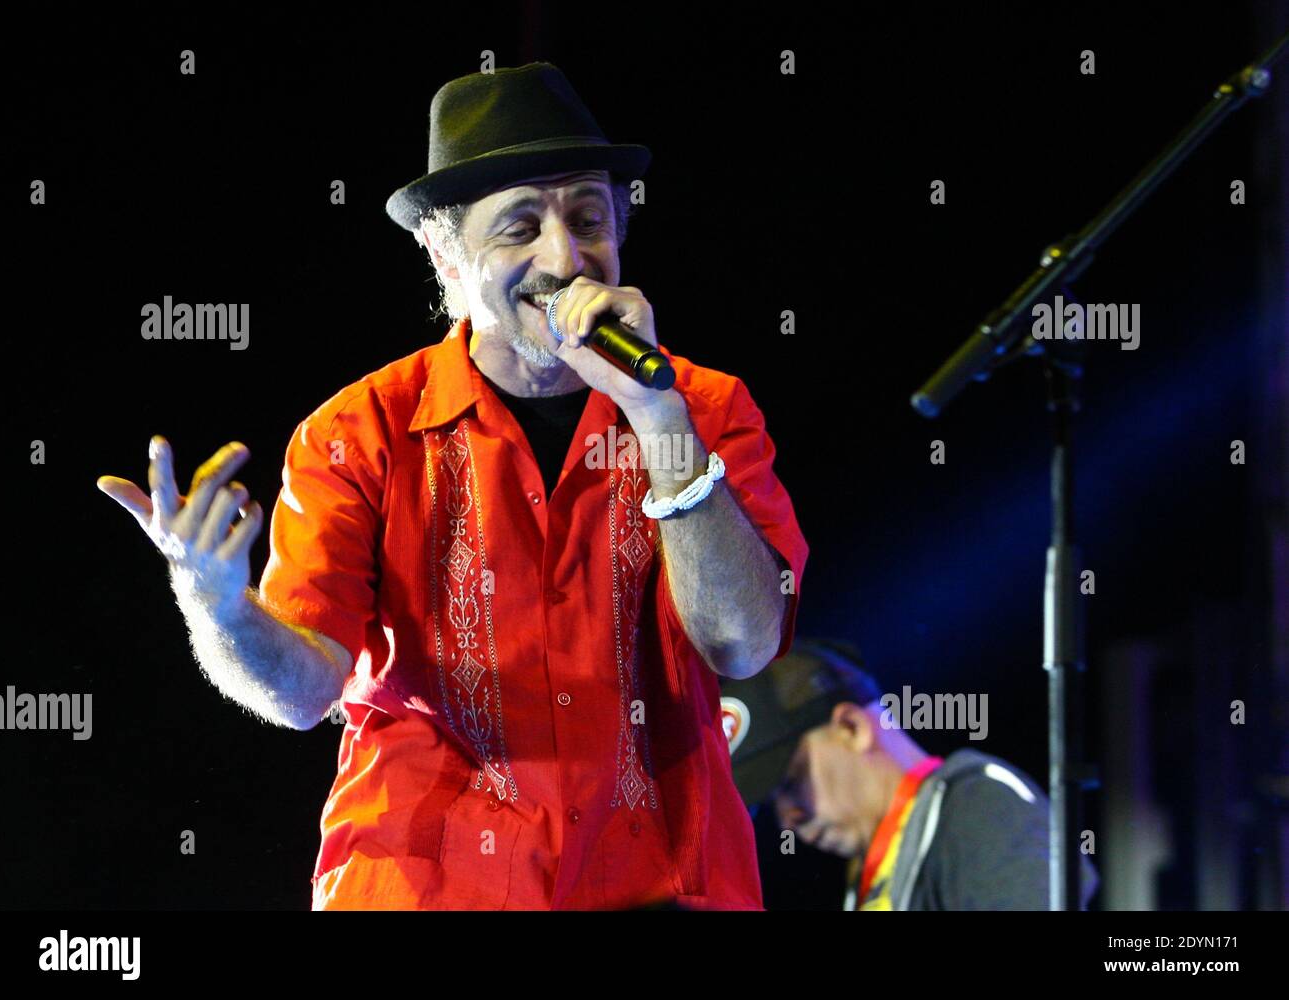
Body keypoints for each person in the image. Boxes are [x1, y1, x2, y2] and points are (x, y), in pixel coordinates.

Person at [96, 62, 809, 910]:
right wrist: (216, 605)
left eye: (588, 217)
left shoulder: (701, 408)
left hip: (660, 884)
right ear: (445, 255)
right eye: (519, 227)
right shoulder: (358, 433)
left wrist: (657, 418)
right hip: (428, 887)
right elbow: (304, 691)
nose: (565, 256)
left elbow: (744, 644)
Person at [721, 639, 1098, 909]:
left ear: (852, 727)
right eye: (772, 800)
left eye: (791, 781)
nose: (787, 819)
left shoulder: (976, 804)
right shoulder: (873, 870)